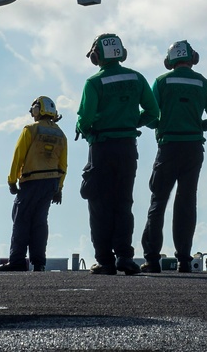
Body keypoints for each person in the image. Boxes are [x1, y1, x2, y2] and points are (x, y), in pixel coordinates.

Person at [76, 33, 159, 275]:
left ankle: (104, 260)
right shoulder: (137, 77)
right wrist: (132, 124)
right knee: (124, 203)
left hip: (101, 148)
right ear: (122, 54)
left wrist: (87, 131)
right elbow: (153, 112)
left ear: (96, 56)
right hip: (127, 147)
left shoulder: (93, 83)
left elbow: (86, 119)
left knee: (99, 203)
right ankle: (125, 257)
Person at [140, 40, 207, 274]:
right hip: (193, 148)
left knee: (158, 201)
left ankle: (152, 260)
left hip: (168, 147)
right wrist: (195, 126)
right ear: (193, 58)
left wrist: (163, 125)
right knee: (186, 202)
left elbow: (151, 114)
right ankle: (184, 260)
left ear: (170, 61)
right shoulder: (204, 83)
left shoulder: (161, 82)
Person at [0, 96, 68, 272]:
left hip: (31, 181)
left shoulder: (30, 130)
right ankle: (39, 262)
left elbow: (18, 157)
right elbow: (63, 165)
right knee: (40, 222)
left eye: (33, 108)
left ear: (38, 109)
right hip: (51, 183)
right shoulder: (61, 134)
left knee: (21, 220)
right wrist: (59, 188)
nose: (31, 112)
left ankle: (17, 261)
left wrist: (12, 181)